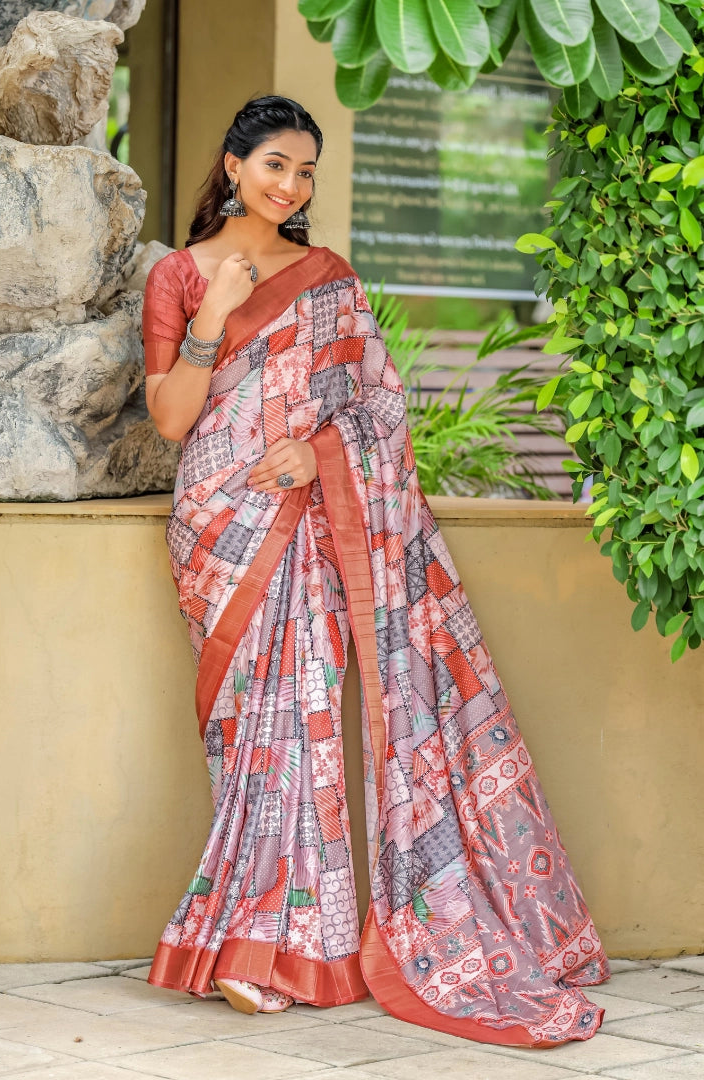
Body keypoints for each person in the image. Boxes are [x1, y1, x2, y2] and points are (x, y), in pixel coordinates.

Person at [142, 95, 609, 1044]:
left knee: (303, 726)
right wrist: (213, 316)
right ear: (232, 166)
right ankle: (256, 933)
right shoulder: (179, 276)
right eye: (274, 164)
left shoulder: (330, 280)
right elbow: (170, 418)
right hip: (220, 527)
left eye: (305, 171)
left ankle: (276, 947)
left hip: (309, 518)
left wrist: (317, 454)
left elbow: (380, 409)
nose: (290, 185)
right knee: (245, 737)